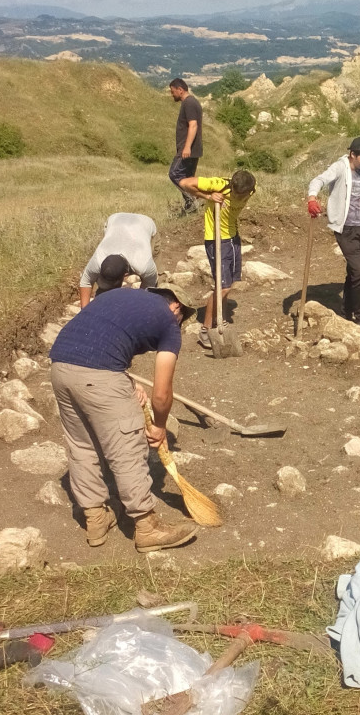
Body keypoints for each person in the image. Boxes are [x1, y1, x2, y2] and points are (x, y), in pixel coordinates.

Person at [48, 283, 200, 553]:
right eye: (182, 319)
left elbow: (99, 341)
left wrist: (126, 381)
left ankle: (96, 519)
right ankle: (147, 527)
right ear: (176, 306)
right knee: (127, 448)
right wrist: (161, 427)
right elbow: (162, 394)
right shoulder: (168, 322)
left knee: (83, 445)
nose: (180, 324)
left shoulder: (120, 296)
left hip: (60, 366)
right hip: (99, 374)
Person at [179, 169, 257, 347]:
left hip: (233, 238)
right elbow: (185, 183)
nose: (238, 198)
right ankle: (205, 330)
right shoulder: (220, 185)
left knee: (229, 284)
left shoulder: (252, 188)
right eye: (235, 194)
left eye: (242, 195)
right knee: (222, 287)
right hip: (216, 239)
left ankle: (219, 318)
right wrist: (208, 196)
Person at [307, 136, 360, 326]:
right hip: (344, 226)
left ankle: (346, 311)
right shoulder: (340, 167)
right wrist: (312, 198)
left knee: (354, 272)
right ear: (352, 154)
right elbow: (318, 180)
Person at [79, 213, 158, 307]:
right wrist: (84, 312)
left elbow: (148, 288)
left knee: (157, 283)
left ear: (126, 274)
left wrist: (137, 309)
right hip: (114, 220)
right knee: (105, 293)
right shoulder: (98, 260)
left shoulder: (144, 264)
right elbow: (85, 282)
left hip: (146, 224)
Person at [168, 78, 203, 214]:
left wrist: (187, 147)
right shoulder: (191, 102)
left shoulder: (189, 103)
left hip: (188, 149)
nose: (172, 95)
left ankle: (194, 199)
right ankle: (191, 207)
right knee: (188, 178)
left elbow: (193, 125)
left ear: (180, 90)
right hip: (192, 149)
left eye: (173, 91)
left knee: (174, 173)